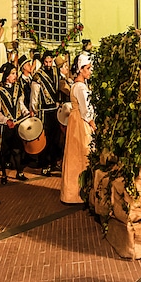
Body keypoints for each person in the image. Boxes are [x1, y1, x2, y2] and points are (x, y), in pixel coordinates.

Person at [58, 53, 94, 204]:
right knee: (83, 154)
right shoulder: (81, 87)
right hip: (80, 122)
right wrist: (92, 124)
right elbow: (86, 110)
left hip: (75, 120)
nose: (90, 71)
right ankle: (79, 193)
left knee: (75, 155)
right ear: (81, 69)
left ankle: (71, 192)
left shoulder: (76, 85)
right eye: (88, 68)